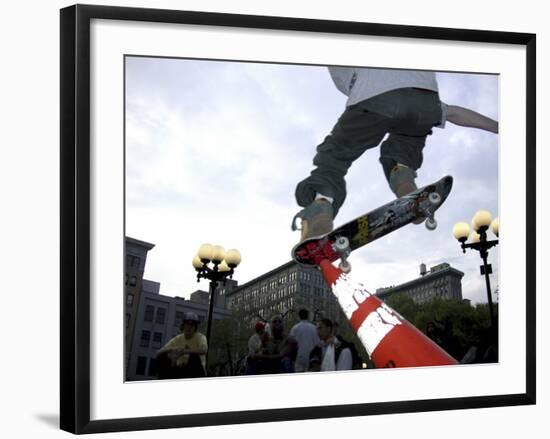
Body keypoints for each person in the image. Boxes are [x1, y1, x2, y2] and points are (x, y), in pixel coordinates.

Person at [292, 66, 499, 241]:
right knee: (405, 144)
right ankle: (403, 176)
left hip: (372, 96)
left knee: (334, 158)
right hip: (424, 99)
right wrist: (498, 127)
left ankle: (321, 205)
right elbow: (455, 113)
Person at [156, 312, 208, 379]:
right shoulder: (178, 338)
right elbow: (158, 353)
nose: (189, 328)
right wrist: (173, 349)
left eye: (192, 325)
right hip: (181, 370)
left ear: (195, 328)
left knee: (194, 356)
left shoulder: (201, 337)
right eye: (187, 325)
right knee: (162, 356)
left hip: (195, 371)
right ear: (183, 326)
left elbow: (204, 350)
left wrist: (184, 351)